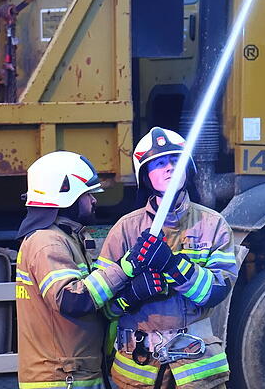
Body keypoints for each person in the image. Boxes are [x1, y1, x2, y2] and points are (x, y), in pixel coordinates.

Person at [96, 127, 238, 389]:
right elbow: (102, 306)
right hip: (138, 372)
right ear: (146, 176)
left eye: (176, 160)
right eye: (159, 163)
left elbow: (216, 291)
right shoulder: (125, 229)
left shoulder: (213, 224)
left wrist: (172, 265)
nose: (169, 168)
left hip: (197, 372)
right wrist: (132, 295)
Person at [15, 151, 166, 389]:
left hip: (72, 375)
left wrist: (128, 297)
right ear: (66, 196)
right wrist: (125, 268)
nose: (94, 201)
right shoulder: (47, 242)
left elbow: (93, 301)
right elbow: (73, 300)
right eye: (87, 195)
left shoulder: (65, 238)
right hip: (62, 379)